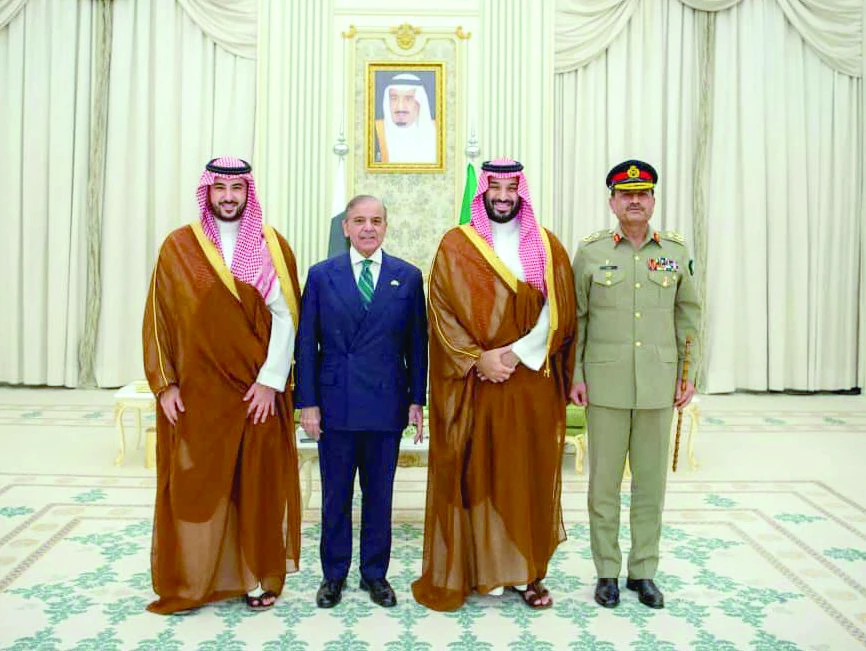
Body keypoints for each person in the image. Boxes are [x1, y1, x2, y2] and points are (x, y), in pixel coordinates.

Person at [411, 159, 577, 611]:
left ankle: (527, 571)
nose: (503, 196)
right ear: (483, 192)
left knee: (525, 474)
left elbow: (559, 309)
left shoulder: (547, 245)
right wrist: (478, 358)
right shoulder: (456, 245)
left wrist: (515, 354)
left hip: (527, 382)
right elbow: (441, 309)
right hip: (477, 384)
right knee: (477, 473)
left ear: (521, 192)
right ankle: (482, 570)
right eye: (495, 187)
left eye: (511, 188)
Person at [142, 157, 302, 613]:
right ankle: (195, 576)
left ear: (248, 193)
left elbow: (287, 318)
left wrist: (272, 381)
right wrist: (166, 384)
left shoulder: (272, 245)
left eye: (236, 190)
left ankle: (254, 576)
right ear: (207, 192)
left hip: (256, 395)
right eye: (220, 190)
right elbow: (159, 317)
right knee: (197, 487)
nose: (228, 197)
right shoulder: (179, 247)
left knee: (256, 485)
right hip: (199, 395)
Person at [570, 159, 701, 610]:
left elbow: (689, 317)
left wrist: (687, 375)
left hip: (658, 384)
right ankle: (606, 571)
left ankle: (643, 571)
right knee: (603, 486)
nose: (634, 201)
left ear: (653, 201)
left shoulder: (677, 252)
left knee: (651, 486)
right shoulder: (590, 253)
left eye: (642, 194)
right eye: (625, 194)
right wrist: (576, 375)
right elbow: (578, 320)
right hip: (604, 385)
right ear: (612, 202)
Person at [295, 194, 428, 609]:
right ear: (345, 228)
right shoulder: (321, 275)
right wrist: (308, 403)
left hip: (386, 404)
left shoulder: (407, 277)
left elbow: (417, 345)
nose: (368, 228)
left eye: (376, 221)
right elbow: (306, 344)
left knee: (379, 496)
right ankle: (333, 575)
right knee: (335, 497)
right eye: (359, 221)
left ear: (386, 227)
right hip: (335, 405)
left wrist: (416, 400)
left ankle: (375, 574)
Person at [374, 72, 437, 164]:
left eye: (408, 98)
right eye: (394, 98)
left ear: (420, 101)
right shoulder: (375, 131)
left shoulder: (438, 132)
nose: (400, 107)